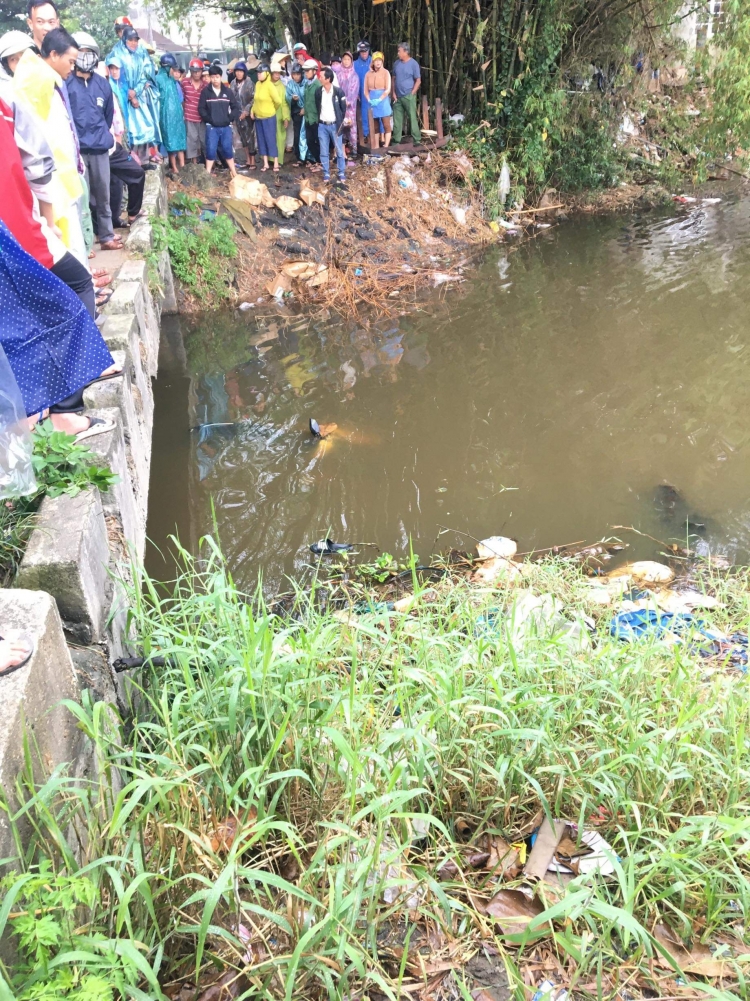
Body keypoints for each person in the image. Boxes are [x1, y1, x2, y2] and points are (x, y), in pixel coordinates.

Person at [0, 96, 117, 439]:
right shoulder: (9, 106)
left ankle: (23, 416)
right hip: (18, 232)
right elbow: (37, 166)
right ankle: (65, 410)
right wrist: (49, 223)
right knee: (76, 288)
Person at [13, 27, 88, 267]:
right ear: (54, 55)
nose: (73, 67)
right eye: (71, 61)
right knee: (67, 246)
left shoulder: (40, 75)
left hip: (61, 178)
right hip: (53, 184)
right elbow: (39, 142)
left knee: (71, 244)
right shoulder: (40, 80)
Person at [67, 32, 122, 252]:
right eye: (81, 52)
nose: (85, 57)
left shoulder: (102, 84)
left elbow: (108, 116)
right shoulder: (66, 83)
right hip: (77, 150)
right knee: (82, 198)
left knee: (103, 195)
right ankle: (86, 244)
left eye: (89, 53)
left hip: (99, 148)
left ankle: (107, 236)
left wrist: (101, 135)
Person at [105, 55, 146, 229]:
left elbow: (118, 115)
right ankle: (116, 220)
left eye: (116, 68)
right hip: (106, 144)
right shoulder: (105, 87)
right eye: (110, 68)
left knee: (117, 182)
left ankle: (120, 217)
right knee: (115, 182)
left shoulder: (119, 86)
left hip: (117, 140)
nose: (114, 72)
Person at [111, 26, 161, 159]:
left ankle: (144, 160)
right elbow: (115, 74)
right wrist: (128, 93)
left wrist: (136, 91)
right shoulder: (117, 53)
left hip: (138, 95)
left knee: (146, 126)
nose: (133, 43)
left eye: (135, 40)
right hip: (123, 97)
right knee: (128, 129)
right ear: (124, 40)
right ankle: (130, 160)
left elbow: (145, 76)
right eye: (130, 40)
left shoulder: (140, 54)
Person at [198, 63, 239, 178]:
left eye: (217, 77)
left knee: (227, 149)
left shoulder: (228, 91)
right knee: (211, 149)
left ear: (221, 77)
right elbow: (201, 108)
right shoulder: (206, 92)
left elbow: (235, 107)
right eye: (212, 77)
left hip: (226, 126)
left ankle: (234, 172)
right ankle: (207, 173)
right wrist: (209, 119)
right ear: (209, 78)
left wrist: (230, 118)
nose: (215, 79)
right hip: (211, 127)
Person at [315, 67, 347, 186]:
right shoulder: (318, 92)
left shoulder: (338, 92)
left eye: (322, 76)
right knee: (323, 151)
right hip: (322, 125)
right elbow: (317, 105)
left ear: (328, 79)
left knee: (338, 150)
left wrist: (339, 121)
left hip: (335, 125)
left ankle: (341, 171)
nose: (319, 78)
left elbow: (343, 109)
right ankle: (326, 172)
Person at [156, 53, 186, 173]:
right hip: (165, 115)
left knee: (179, 138)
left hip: (176, 114)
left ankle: (182, 166)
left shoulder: (172, 80)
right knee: (170, 141)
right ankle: (174, 167)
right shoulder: (158, 79)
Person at [251, 62, 281, 172]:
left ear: (267, 73)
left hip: (269, 117)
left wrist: (271, 110)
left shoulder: (270, 86)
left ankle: (276, 163)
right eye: (258, 73)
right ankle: (265, 163)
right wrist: (252, 110)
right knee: (261, 140)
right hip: (258, 118)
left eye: (260, 72)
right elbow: (255, 100)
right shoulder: (258, 84)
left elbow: (278, 101)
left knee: (271, 139)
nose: (258, 75)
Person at [391, 42, 421, 146]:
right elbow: (393, 79)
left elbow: (418, 80)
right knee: (397, 120)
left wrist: (412, 93)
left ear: (406, 52)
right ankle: (396, 141)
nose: (398, 53)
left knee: (412, 118)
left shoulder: (413, 64)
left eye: (399, 51)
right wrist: (393, 92)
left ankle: (417, 140)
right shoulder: (396, 63)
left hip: (409, 95)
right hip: (397, 97)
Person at [230, 59, 256, 170]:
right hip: (237, 115)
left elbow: (253, 99)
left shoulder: (249, 83)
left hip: (248, 115)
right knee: (243, 138)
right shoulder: (232, 83)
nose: (239, 73)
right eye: (237, 71)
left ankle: (253, 161)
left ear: (244, 72)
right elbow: (231, 99)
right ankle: (247, 160)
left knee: (250, 137)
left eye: (241, 71)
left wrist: (246, 111)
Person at [181, 56, 207, 163]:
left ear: (202, 72)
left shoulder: (206, 85)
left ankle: (209, 164)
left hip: (203, 117)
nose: (196, 73)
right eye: (194, 71)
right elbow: (181, 98)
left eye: (199, 71)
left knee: (204, 140)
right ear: (190, 71)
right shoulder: (184, 82)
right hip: (190, 116)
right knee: (192, 140)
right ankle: (194, 164)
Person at [364, 51, 392, 149]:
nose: (378, 62)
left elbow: (388, 89)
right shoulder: (368, 74)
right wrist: (369, 100)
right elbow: (365, 91)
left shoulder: (386, 72)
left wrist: (379, 99)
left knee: (386, 124)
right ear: (373, 62)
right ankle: (375, 146)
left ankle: (386, 146)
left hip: (383, 100)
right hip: (372, 100)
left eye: (380, 60)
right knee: (375, 126)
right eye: (376, 60)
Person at [335, 51, 359, 157]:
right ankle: (342, 150)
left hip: (350, 106)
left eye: (348, 59)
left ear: (351, 61)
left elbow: (354, 90)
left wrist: (348, 101)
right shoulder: (338, 75)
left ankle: (354, 148)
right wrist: (341, 101)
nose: (346, 61)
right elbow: (336, 88)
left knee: (352, 126)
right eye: (344, 59)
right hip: (340, 105)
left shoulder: (354, 75)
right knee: (341, 126)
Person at [285, 61, 307, 166]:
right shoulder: (290, 84)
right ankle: (299, 157)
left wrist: (305, 108)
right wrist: (293, 99)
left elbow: (310, 98)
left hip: (307, 112)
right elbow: (287, 97)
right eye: (294, 74)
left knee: (308, 135)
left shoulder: (306, 83)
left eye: (298, 74)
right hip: (296, 112)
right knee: (297, 135)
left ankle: (308, 157)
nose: (296, 76)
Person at [269, 60, 290, 167]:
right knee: (269, 136)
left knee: (280, 137)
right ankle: (269, 158)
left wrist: (286, 117)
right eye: (275, 73)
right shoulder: (266, 84)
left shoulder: (282, 86)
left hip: (279, 115)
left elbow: (285, 103)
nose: (277, 75)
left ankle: (279, 159)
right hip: (267, 114)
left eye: (278, 73)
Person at [301, 58, 321, 168]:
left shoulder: (318, 85)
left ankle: (320, 163)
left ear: (314, 71)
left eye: (308, 71)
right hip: (308, 118)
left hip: (316, 119)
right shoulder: (307, 84)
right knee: (310, 142)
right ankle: (318, 162)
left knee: (318, 142)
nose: (306, 73)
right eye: (305, 71)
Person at [353, 40, 371, 139]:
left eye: (365, 51)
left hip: (373, 93)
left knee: (375, 113)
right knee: (362, 113)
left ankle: (378, 135)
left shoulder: (373, 61)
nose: (364, 53)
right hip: (360, 93)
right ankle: (364, 134)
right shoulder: (354, 64)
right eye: (362, 52)